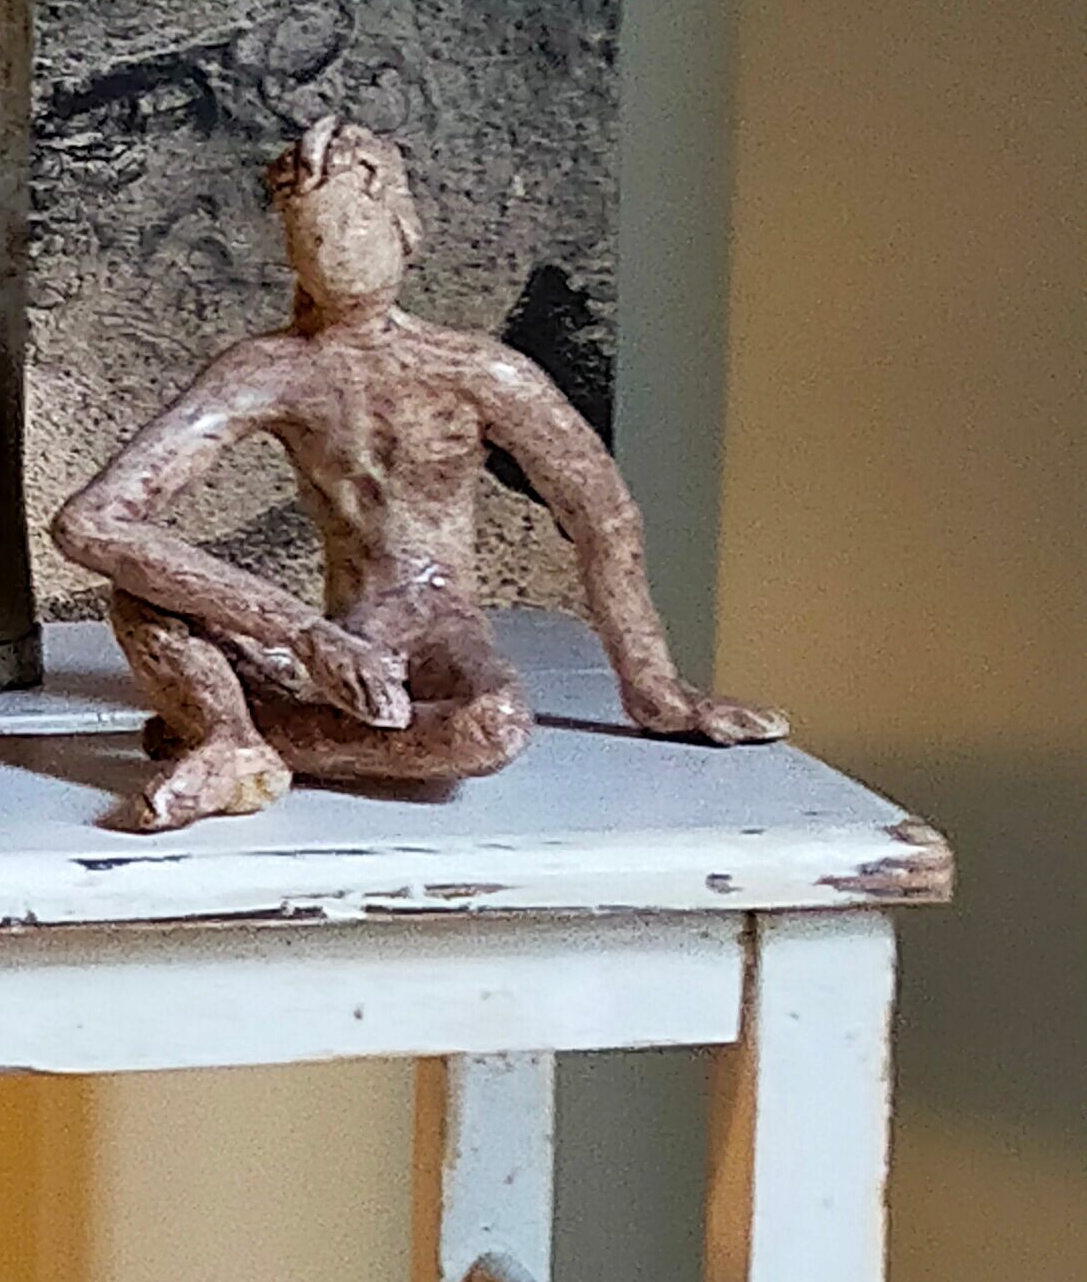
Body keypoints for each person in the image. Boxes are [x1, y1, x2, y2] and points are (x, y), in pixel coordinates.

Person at [49, 120, 785, 830]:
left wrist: (654, 690)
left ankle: (247, 733)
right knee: (143, 598)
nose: (335, 250)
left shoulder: (478, 371)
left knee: (489, 728)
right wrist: (304, 633)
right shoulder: (269, 371)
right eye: (313, 232)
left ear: (403, 228)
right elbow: (91, 522)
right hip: (332, 628)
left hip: (436, 627)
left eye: (354, 226)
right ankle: (231, 735)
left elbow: (603, 516)